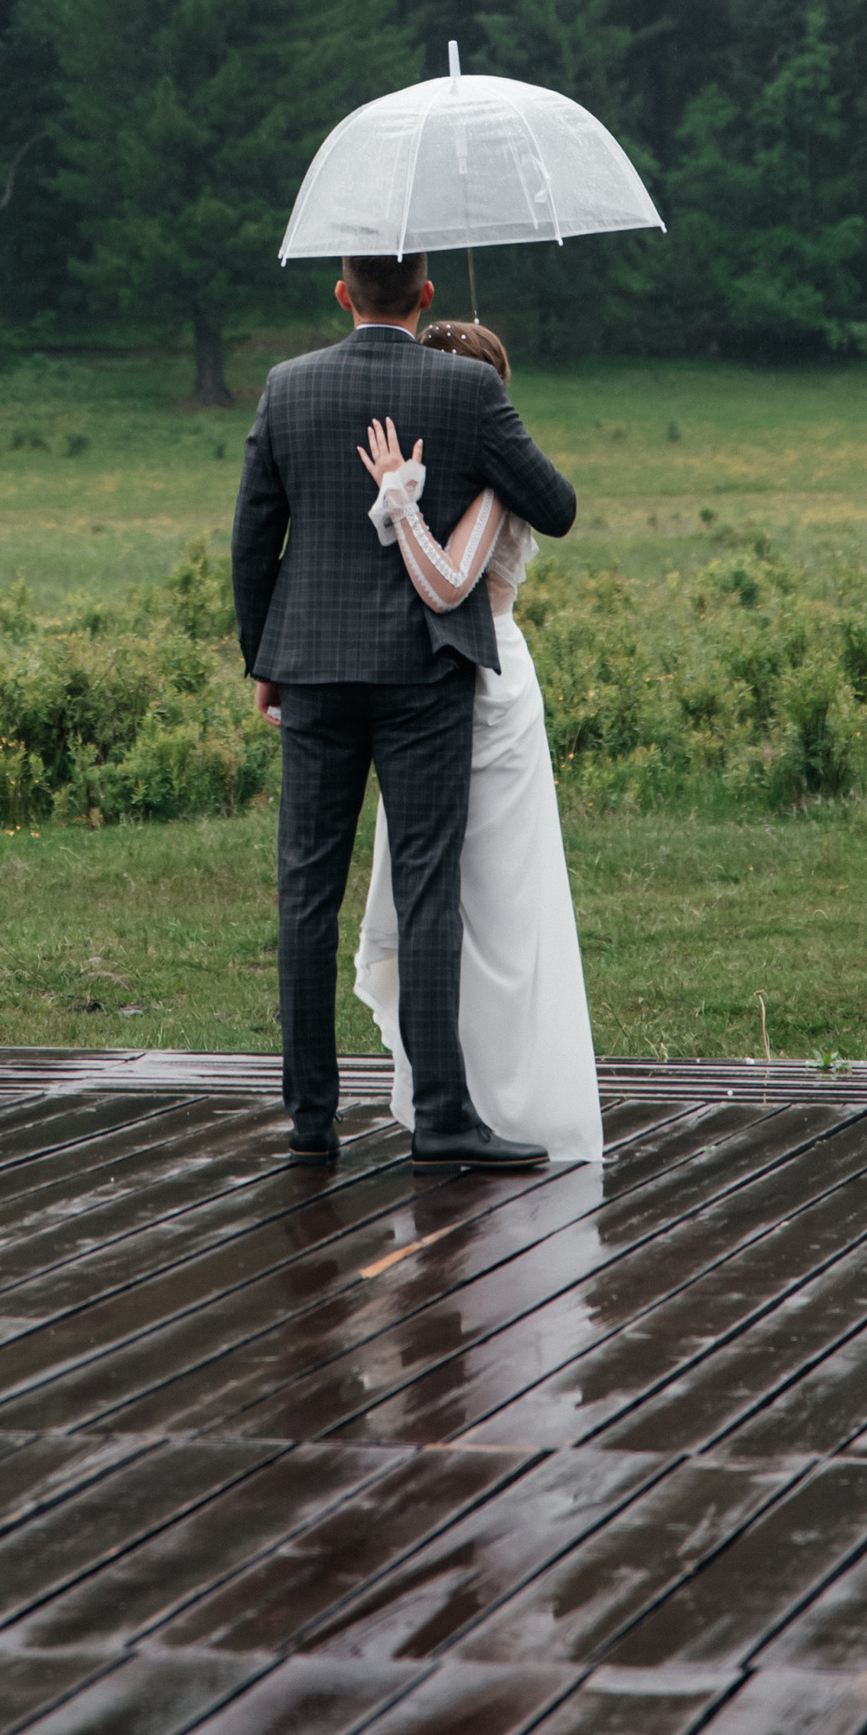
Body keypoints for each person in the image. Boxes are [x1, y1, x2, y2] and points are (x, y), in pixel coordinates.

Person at [232, 249, 578, 1170]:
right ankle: (442, 1117)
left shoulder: (286, 385)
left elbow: (254, 534)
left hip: (309, 668)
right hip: (427, 676)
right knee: (428, 890)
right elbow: (558, 506)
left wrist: (263, 659)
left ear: (342, 294)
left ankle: (311, 1121)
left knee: (306, 891)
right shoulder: (469, 389)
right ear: (425, 295)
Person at [350, 318, 603, 1164]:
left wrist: (398, 501)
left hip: (488, 691)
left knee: (495, 901)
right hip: (420, 694)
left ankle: (505, 1094)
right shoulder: (446, 471)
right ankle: (445, 1089)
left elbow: (449, 583)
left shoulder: (495, 479)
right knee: (433, 897)